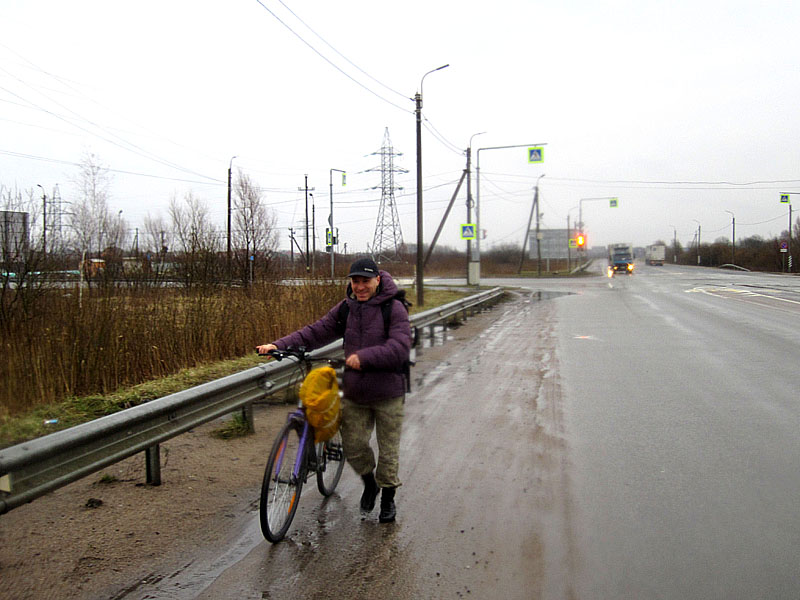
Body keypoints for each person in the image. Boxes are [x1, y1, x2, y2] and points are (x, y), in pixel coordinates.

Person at [256, 257, 412, 523]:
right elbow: (316, 331)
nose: (360, 287)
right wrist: (278, 344)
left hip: (388, 392)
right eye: (355, 281)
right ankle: (370, 484)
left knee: (388, 451)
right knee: (353, 447)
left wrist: (365, 357)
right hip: (356, 392)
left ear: (377, 280)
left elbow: (400, 347)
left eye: (365, 281)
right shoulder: (347, 308)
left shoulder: (394, 308)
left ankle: (387, 498)